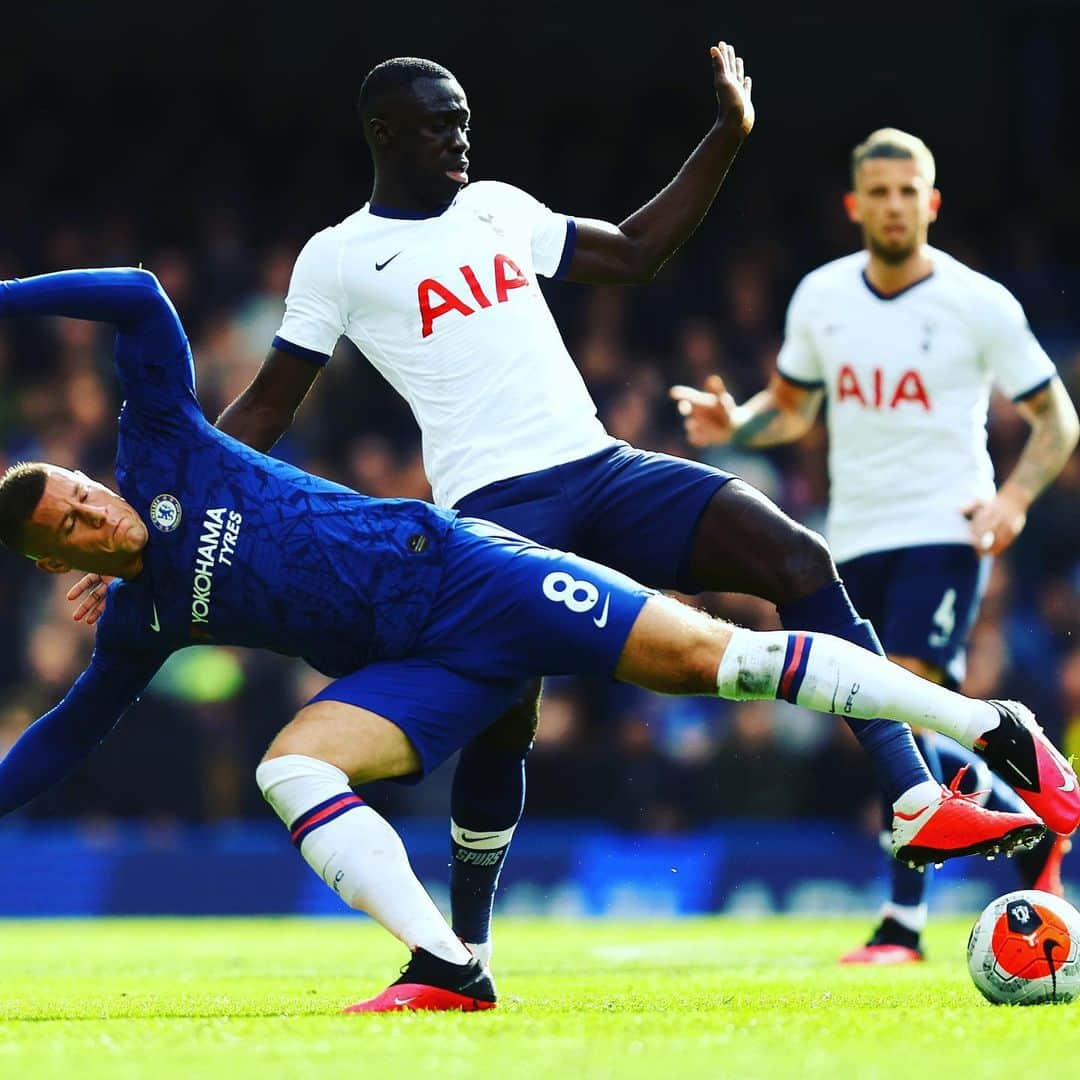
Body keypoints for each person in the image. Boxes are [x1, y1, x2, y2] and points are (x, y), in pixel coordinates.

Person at [60, 44, 1059, 965]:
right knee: (509, 722)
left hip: (601, 466)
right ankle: (468, 950)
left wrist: (726, 136)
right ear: (383, 132)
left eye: (463, 120)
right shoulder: (340, 256)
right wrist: (159, 524)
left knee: (794, 557)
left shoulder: (495, 203)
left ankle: (915, 796)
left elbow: (631, 252)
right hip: (494, 512)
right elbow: (271, 404)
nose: (459, 137)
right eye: (438, 123)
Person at [1, 267, 1076, 1011]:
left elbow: (138, 298)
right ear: (61, 568)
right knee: (292, 762)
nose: (98, 512)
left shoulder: (160, 444)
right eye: (73, 529)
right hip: (418, 670)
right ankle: (446, 963)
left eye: (85, 496)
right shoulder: (136, 625)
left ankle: (991, 726)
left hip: (468, 573)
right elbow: (61, 738)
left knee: (721, 661)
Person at [669, 127, 1080, 964]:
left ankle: (904, 924)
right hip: (851, 536)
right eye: (879, 194)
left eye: (909, 192)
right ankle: (1030, 825)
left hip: (944, 531)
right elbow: (793, 406)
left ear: (931, 203)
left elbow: (1056, 419)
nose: (894, 206)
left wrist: (1014, 497)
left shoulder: (977, 302)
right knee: (876, 712)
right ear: (856, 205)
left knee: (906, 691)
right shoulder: (822, 296)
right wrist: (737, 421)